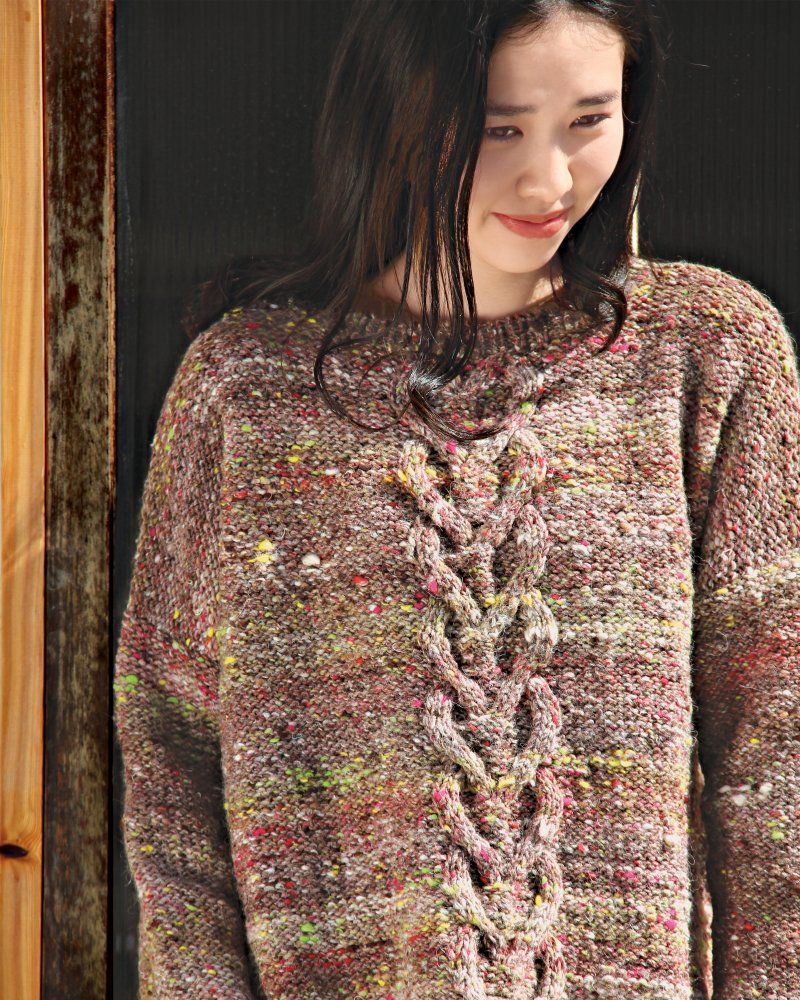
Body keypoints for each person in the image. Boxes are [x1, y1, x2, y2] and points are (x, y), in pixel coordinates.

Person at [114, 1, 800, 998]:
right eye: (498, 129)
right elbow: (170, 761)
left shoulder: (707, 356)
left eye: (588, 120)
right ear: (395, 114)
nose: (548, 180)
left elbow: (777, 745)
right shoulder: (245, 391)